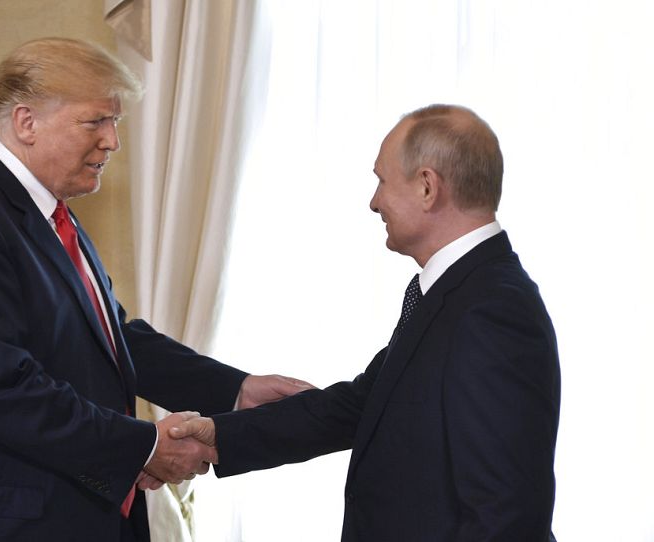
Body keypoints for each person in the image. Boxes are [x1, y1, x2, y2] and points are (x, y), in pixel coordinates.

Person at [0, 37, 312, 542]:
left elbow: (111, 339)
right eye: (96, 121)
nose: (112, 142)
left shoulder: (45, 213)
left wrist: (234, 390)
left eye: (115, 123)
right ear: (27, 122)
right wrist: (143, 446)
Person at [172, 105, 561, 541]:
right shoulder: (460, 290)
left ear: (427, 187)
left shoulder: (493, 310)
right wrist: (217, 435)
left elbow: (507, 515)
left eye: (382, 180)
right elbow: (361, 405)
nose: (374, 201)